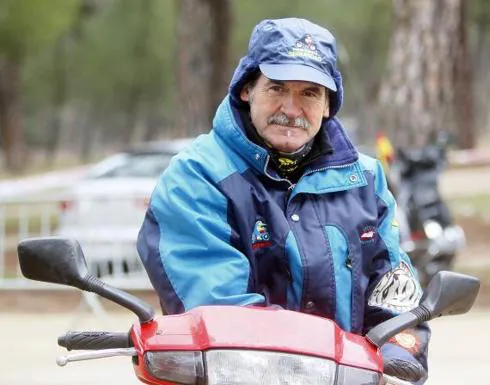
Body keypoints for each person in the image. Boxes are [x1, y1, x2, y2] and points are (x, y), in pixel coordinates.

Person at [137, 17, 430, 383]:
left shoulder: (365, 178)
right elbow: (219, 312)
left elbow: (394, 293)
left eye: (309, 93)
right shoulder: (197, 175)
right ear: (247, 90)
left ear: (328, 105)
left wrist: (397, 355)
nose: (291, 109)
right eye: (276, 88)